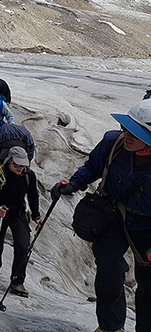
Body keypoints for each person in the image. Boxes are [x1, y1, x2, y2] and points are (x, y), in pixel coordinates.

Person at [51, 99, 151, 332]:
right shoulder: (113, 143)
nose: (127, 134)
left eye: (134, 133)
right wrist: (73, 184)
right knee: (108, 267)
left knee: (148, 284)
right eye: (126, 128)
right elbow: (93, 166)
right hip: (113, 214)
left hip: (147, 226)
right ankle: (110, 327)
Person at [0, 146, 41, 297]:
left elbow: (33, 196)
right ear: (9, 161)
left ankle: (17, 281)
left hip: (17, 212)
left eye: (22, 165)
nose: (20, 168)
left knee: (23, 245)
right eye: (16, 164)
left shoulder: (28, 176)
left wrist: (36, 216)